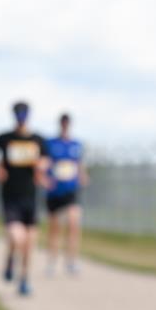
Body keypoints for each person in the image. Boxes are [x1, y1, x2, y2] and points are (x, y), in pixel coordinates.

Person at [0, 101, 50, 296]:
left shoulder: (38, 139)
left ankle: (23, 278)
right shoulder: (4, 138)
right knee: (17, 236)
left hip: (30, 197)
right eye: (18, 113)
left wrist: (42, 167)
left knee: (29, 242)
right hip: (10, 196)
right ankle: (11, 259)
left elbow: (46, 160)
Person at [45, 113, 88, 276]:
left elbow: (79, 163)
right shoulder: (51, 143)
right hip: (55, 191)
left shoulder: (76, 144)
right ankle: (52, 261)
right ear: (59, 124)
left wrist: (83, 175)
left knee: (73, 224)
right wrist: (45, 178)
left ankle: (71, 260)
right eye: (63, 123)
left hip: (71, 190)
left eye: (67, 123)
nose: (65, 126)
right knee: (55, 228)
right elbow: (45, 162)